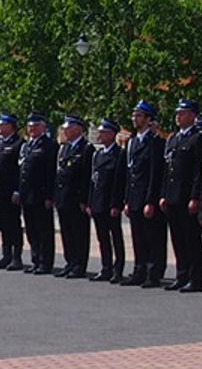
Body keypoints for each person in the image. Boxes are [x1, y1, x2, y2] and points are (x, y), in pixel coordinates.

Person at [162, 100, 202, 292]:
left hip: (187, 196)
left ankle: (195, 277)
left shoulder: (198, 138)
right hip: (173, 196)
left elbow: (200, 171)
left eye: (183, 113)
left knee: (191, 239)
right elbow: (168, 170)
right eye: (178, 112)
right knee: (177, 238)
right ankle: (182, 275)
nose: (178, 116)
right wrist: (164, 194)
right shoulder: (173, 139)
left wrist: (195, 197)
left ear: (193, 116)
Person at [123, 102, 167, 287]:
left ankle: (153, 272)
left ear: (149, 120)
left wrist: (151, 200)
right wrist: (126, 199)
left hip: (147, 197)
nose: (135, 119)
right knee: (138, 237)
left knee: (153, 237)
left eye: (140, 115)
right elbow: (129, 172)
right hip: (134, 196)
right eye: (135, 115)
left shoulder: (155, 142)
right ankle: (139, 270)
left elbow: (154, 174)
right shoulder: (132, 142)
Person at [18, 114, 59, 274]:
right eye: (30, 126)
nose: (32, 129)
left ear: (43, 127)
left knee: (44, 230)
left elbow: (51, 173)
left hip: (41, 195)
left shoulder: (49, 145)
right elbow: (22, 170)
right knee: (31, 229)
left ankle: (45, 262)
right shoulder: (27, 146)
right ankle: (35, 259)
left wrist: (50, 196)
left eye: (35, 126)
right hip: (27, 194)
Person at [53, 116, 93, 279]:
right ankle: (70, 262)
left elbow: (86, 177)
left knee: (79, 233)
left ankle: (79, 265)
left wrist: (84, 200)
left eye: (68, 128)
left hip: (76, 199)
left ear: (78, 128)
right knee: (67, 232)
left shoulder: (86, 148)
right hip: (64, 197)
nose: (65, 131)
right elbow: (59, 174)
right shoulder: (64, 148)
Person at [88, 119, 127, 283]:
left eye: (104, 132)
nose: (100, 135)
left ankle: (118, 269)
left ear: (112, 134)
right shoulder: (98, 154)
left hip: (110, 202)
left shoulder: (119, 154)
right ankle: (106, 267)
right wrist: (90, 202)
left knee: (115, 237)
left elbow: (119, 181)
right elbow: (92, 180)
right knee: (102, 237)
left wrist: (116, 204)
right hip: (98, 201)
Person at [0, 114, 26, 270]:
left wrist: (17, 190)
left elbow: (21, 170)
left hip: (10, 191)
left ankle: (16, 257)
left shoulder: (18, 143)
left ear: (11, 126)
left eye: (2, 124)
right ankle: (6, 255)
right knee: (2, 224)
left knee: (13, 225)